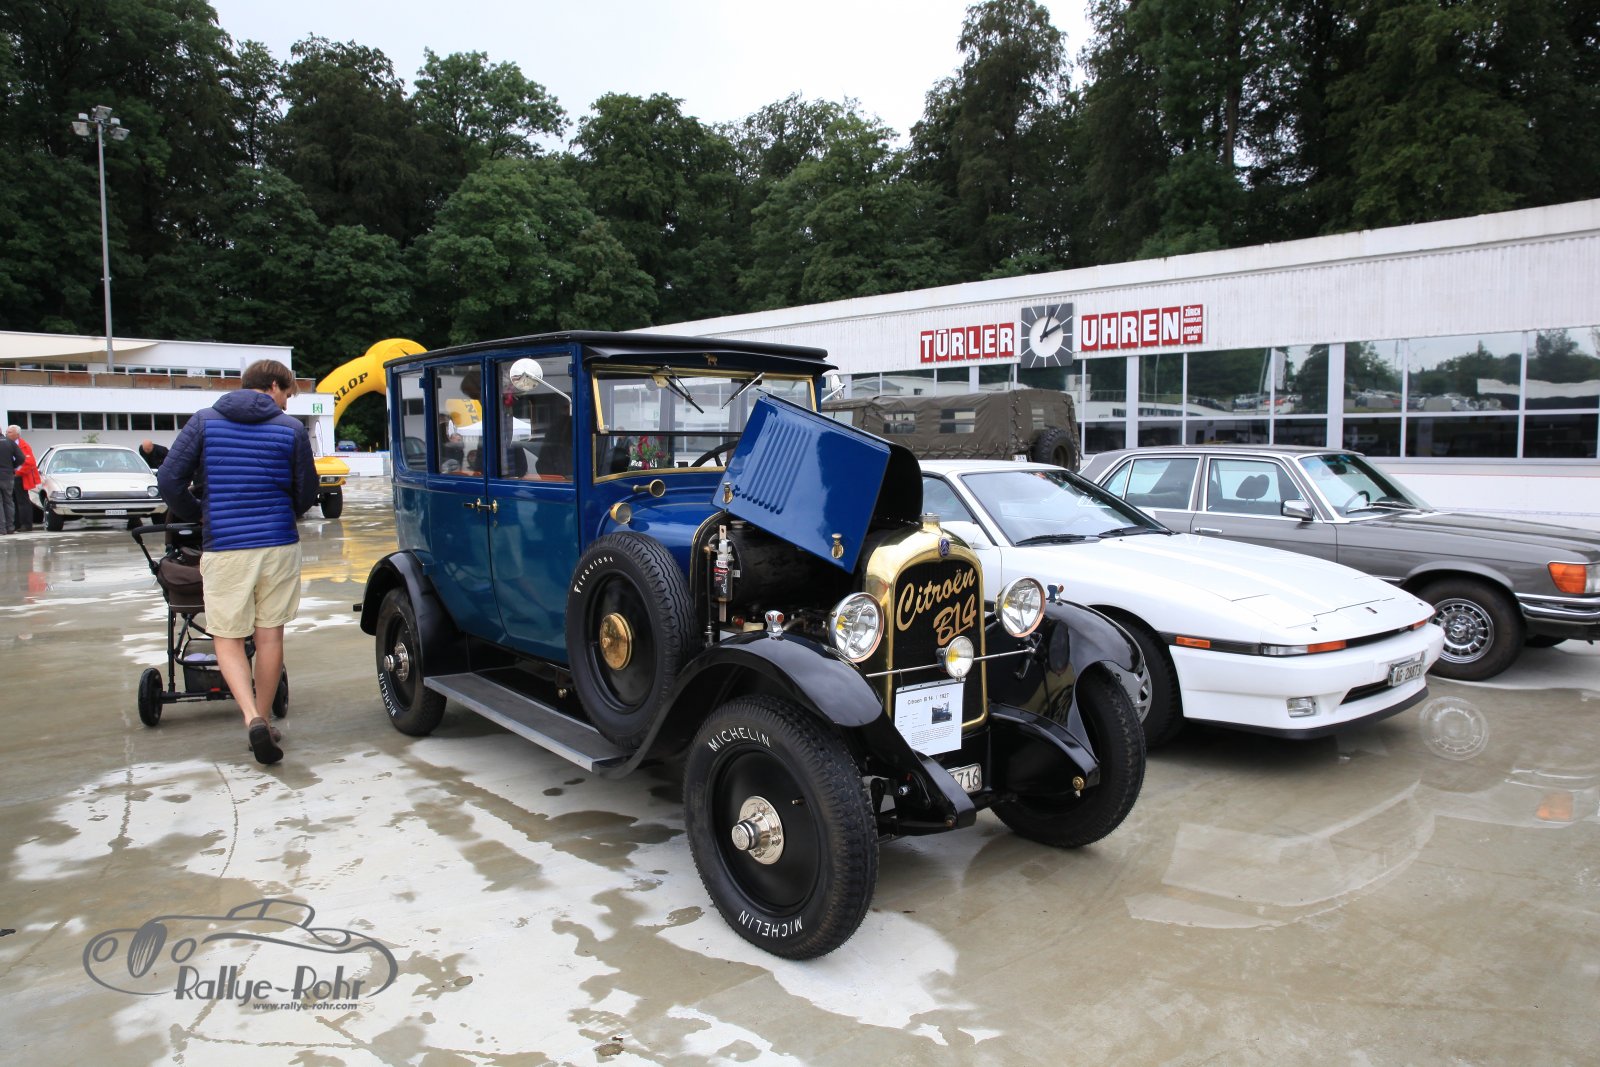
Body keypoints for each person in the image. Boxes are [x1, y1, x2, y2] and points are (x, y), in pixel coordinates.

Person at [158, 360, 318, 765]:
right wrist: (283, 512)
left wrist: (197, 513)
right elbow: (306, 492)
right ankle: (264, 716)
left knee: (227, 636)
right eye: (287, 394)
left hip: (226, 545)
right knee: (270, 636)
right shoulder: (291, 429)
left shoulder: (203, 422)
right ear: (274, 385)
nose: (286, 403)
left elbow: (169, 480)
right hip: (278, 544)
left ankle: (251, 718)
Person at [5, 425, 37, 532]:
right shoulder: (9, 444)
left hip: (21, 477)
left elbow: (29, 462)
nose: (6, 434)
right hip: (12, 475)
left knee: (23, 501)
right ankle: (16, 524)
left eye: (9, 432)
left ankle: (26, 524)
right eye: (7, 432)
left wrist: (17, 473)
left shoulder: (24, 445)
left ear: (17, 435)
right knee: (13, 500)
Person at [0, 429, 23, 535]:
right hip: (8, 476)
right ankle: (10, 527)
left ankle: (1, 529)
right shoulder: (10, 442)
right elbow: (21, 457)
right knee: (8, 501)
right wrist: (12, 466)